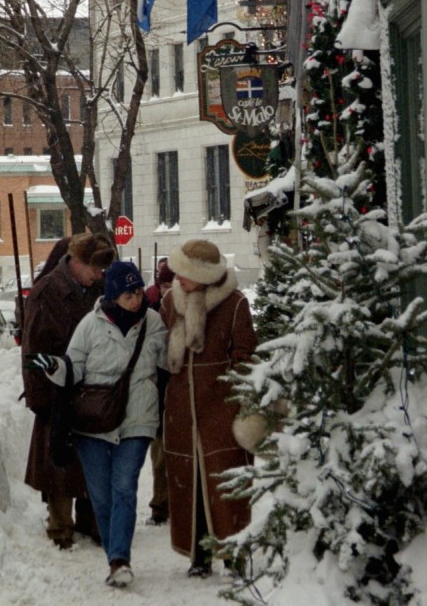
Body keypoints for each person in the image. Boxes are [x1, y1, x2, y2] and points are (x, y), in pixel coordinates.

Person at [27, 260, 168, 588]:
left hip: (137, 418)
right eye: (128, 293)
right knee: (101, 495)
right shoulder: (91, 325)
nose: (135, 298)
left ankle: (119, 558)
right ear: (113, 294)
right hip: (92, 422)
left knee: (124, 486)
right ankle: (114, 552)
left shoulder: (154, 323)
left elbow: (168, 364)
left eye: (138, 291)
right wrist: (53, 366)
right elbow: (73, 369)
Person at [160, 239, 257, 578]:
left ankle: (234, 554)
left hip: (222, 410)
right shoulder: (172, 300)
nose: (178, 277)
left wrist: (236, 399)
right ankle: (198, 554)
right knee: (190, 484)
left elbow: (246, 356)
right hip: (182, 411)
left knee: (226, 485)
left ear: (203, 275)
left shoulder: (234, 305)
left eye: (185, 273)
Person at [21, 232, 115, 551]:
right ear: (75, 262)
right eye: (94, 269)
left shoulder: (101, 288)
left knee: (94, 457)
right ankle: (60, 524)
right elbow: (32, 348)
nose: (99, 275)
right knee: (59, 461)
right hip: (57, 390)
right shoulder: (47, 291)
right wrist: (38, 397)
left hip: (95, 389)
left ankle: (93, 520)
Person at [144, 258, 175, 526]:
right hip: (157, 391)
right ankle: (160, 506)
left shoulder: (184, 308)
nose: (168, 289)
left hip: (177, 391)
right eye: (165, 284)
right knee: (160, 454)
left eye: (172, 283)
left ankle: (176, 503)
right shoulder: (150, 309)